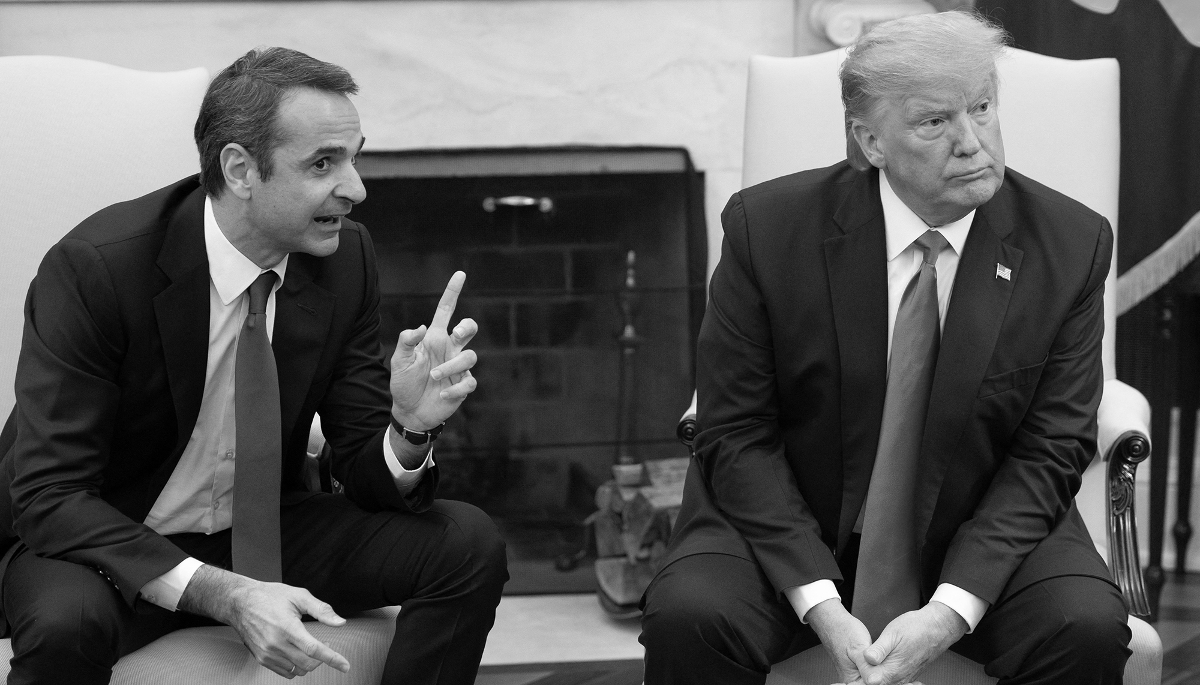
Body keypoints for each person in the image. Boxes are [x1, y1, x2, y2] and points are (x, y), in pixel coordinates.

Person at [640, 11, 1131, 685]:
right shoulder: (767, 230)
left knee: (1084, 624)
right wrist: (821, 604)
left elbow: (1051, 447)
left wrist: (950, 611)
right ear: (870, 140)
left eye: (982, 108)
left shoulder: (1070, 244)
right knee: (691, 614)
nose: (972, 142)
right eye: (935, 122)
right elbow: (737, 431)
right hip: (794, 518)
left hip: (979, 524)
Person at [0, 47, 507, 685]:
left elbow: (356, 461)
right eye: (324, 163)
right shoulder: (98, 269)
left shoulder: (345, 259)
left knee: (466, 543)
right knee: (64, 627)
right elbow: (51, 497)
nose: (356, 188)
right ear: (240, 168)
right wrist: (227, 594)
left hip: (262, 528)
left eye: (354, 157)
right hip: (114, 540)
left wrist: (406, 427)